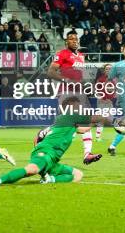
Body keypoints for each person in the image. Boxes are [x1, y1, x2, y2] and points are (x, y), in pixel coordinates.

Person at [0, 95, 119, 187]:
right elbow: (95, 117)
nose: (80, 108)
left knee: (78, 175)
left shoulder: (69, 124)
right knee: (31, 170)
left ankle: (50, 179)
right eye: (77, 106)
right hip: (46, 152)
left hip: (52, 158)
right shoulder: (68, 117)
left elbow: (84, 129)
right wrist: (113, 120)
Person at [47, 31, 101, 165]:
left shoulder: (81, 56)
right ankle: (44, 136)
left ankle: (87, 154)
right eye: (71, 39)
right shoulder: (62, 54)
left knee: (86, 122)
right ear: (66, 42)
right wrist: (66, 80)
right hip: (67, 93)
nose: (74, 41)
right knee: (68, 124)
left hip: (80, 93)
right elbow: (51, 72)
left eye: (76, 39)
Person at [93, 63, 116, 142]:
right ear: (104, 70)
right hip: (102, 102)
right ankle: (98, 137)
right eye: (107, 69)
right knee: (102, 119)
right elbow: (96, 90)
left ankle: (93, 122)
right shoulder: (101, 79)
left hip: (109, 102)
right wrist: (101, 98)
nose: (108, 70)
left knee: (110, 119)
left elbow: (115, 91)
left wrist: (113, 96)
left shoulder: (114, 79)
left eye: (110, 69)